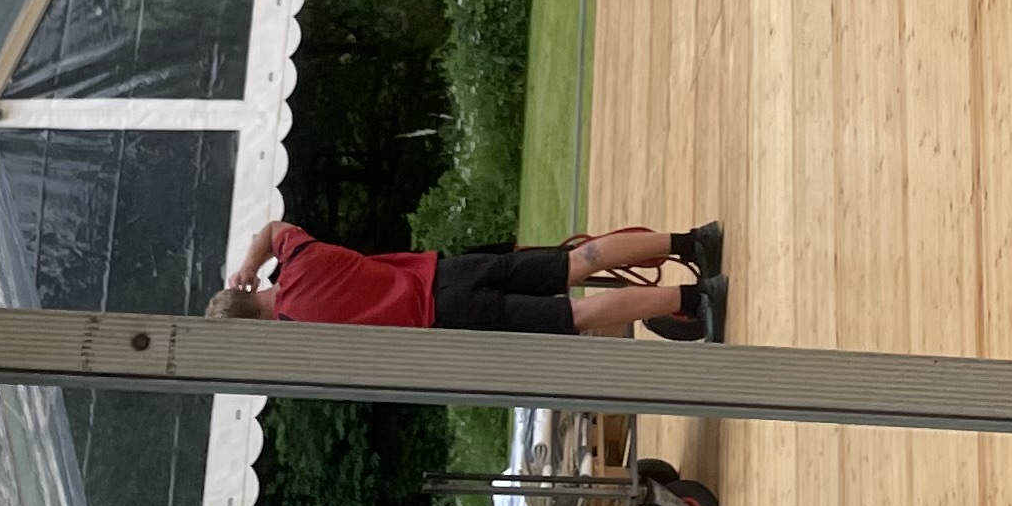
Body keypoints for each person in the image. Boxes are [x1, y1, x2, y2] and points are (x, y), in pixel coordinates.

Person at [214, 217, 728, 340]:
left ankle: (699, 295)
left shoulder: (304, 334)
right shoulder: (302, 261)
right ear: (248, 291)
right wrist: (247, 265)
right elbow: (273, 229)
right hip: (450, 270)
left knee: (579, 313)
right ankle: (694, 241)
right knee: (583, 258)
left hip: (451, 316)